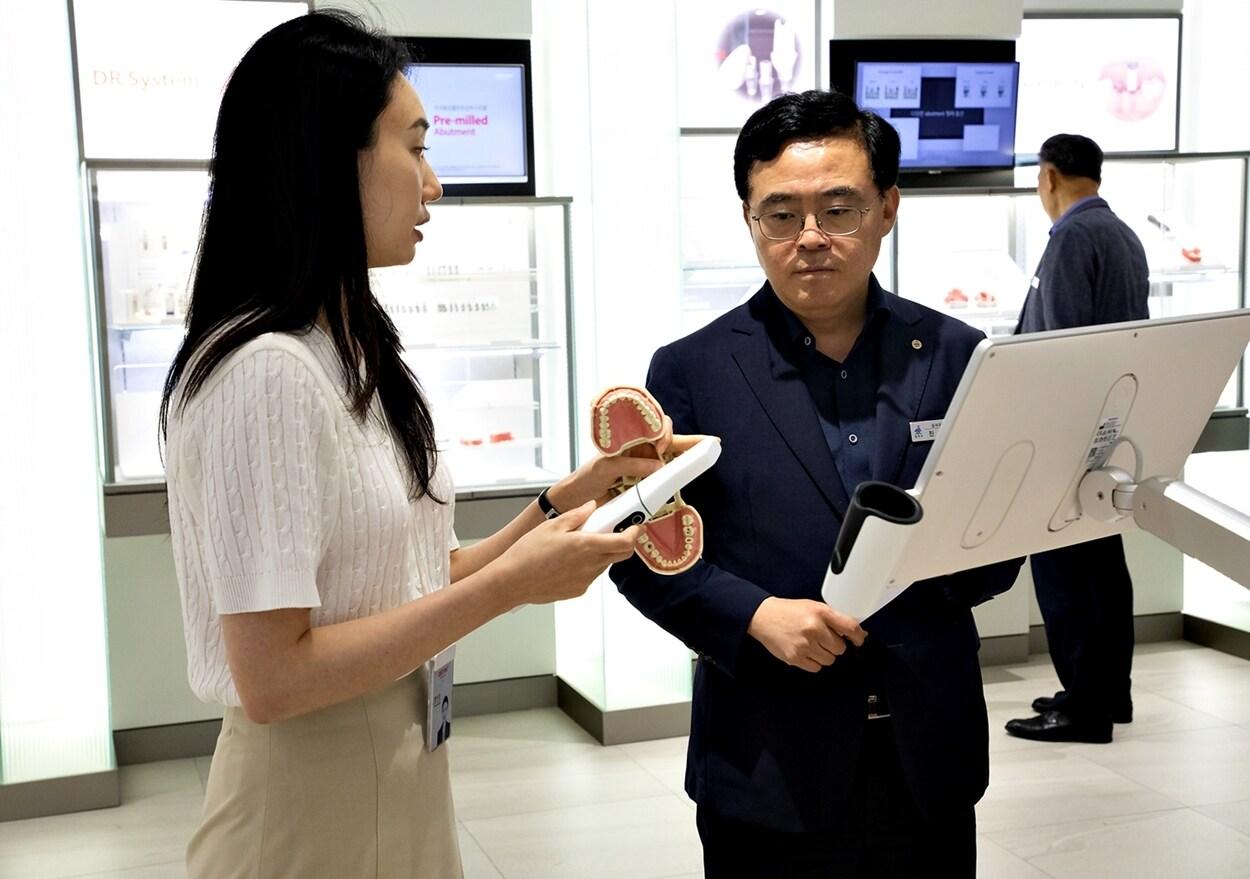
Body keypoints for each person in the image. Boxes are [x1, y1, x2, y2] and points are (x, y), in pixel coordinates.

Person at [160, 12, 666, 878]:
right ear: (329, 158)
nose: (433, 184)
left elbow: (408, 578)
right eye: (416, 148)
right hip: (312, 797)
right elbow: (275, 678)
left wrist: (563, 502)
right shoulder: (267, 370)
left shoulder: (351, 347)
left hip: (400, 769)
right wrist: (510, 587)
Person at [610, 89, 1022, 878]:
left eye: (838, 209)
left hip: (927, 755)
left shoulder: (958, 355)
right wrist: (754, 614)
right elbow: (641, 553)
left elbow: (998, 540)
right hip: (768, 759)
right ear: (748, 219)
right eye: (781, 214)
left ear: (887, 207)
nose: (810, 238)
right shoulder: (693, 370)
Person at [1005, 133, 1147, 744]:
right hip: (1109, 428)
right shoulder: (1122, 234)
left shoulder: (1070, 238)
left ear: (1049, 177)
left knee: (1064, 570)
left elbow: (1062, 344)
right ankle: (1109, 693)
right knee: (1103, 569)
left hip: (1067, 435)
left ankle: (1084, 710)